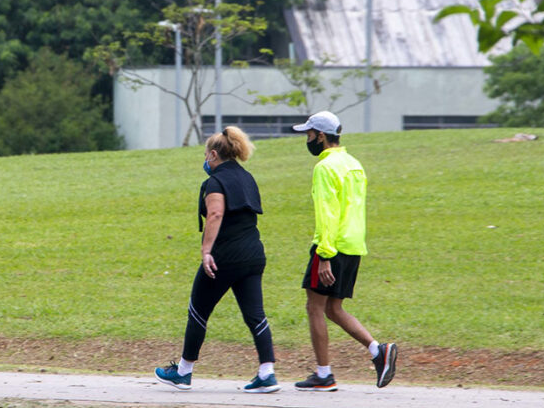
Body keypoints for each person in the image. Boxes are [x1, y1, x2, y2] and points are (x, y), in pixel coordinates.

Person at [155, 126, 279, 393]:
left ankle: (184, 372)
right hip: (254, 254)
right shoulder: (247, 177)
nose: (204, 160)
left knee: (198, 310)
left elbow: (215, 215)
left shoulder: (215, 182)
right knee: (255, 315)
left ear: (213, 154)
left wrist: (206, 251)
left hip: (225, 256)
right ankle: (267, 373)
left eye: (205, 155)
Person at [291, 111, 397, 391]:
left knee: (314, 306)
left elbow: (327, 212)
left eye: (309, 134)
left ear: (321, 136)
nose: (308, 139)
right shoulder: (354, 164)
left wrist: (324, 255)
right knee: (333, 308)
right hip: (353, 246)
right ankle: (378, 351)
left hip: (331, 246)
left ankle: (324, 374)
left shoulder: (325, 167)